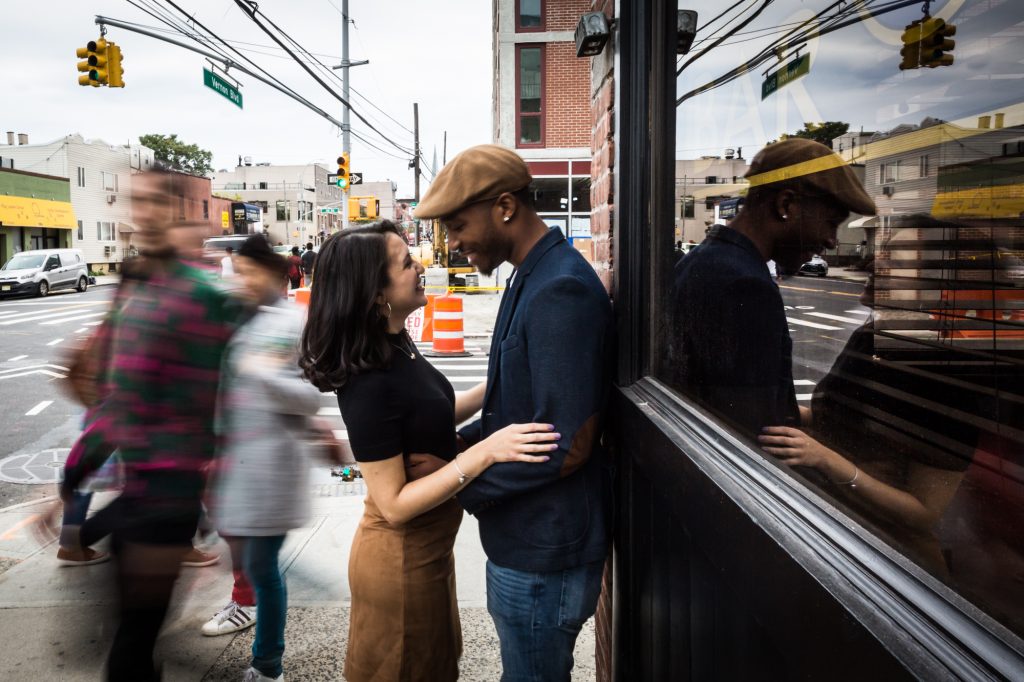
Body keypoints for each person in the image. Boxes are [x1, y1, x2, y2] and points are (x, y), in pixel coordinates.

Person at [299, 220, 558, 682]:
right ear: (376, 293)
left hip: (428, 552)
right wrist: (481, 455)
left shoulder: (395, 343)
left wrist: (504, 378)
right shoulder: (367, 382)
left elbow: (433, 412)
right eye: (405, 261)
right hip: (399, 562)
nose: (420, 265)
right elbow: (393, 505)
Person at [414, 144, 615, 681]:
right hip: (529, 544)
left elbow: (568, 444)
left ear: (505, 207)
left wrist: (460, 482)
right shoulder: (531, 274)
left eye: (457, 227)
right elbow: (517, 410)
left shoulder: (560, 288)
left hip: (545, 550)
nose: (452, 244)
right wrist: (463, 444)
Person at [85, 166, 244, 680]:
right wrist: (70, 482)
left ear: (176, 209)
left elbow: (250, 361)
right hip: (137, 487)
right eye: (138, 201)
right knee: (132, 640)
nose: (145, 212)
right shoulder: (137, 292)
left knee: (131, 643)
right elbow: (115, 395)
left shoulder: (202, 293)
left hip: (170, 492)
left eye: (156, 201)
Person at [668, 138, 876, 436]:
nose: (831, 240)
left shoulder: (705, 260)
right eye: (830, 223)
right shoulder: (745, 285)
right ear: (786, 205)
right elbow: (754, 428)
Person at [208, 235, 339, 681]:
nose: (238, 281)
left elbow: (311, 399)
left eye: (245, 273)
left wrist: (265, 376)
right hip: (240, 467)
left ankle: (268, 665)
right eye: (235, 273)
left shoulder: (292, 322)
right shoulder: (246, 321)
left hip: (272, 473)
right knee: (248, 560)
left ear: (270, 273)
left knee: (263, 569)